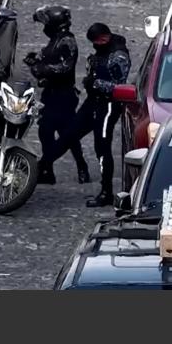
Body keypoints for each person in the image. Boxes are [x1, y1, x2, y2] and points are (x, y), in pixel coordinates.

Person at [24, 6, 91, 186]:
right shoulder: (55, 40)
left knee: (67, 135)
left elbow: (65, 67)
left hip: (64, 96)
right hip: (51, 94)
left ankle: (81, 166)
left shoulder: (67, 42)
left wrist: (43, 69)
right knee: (45, 131)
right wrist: (36, 58)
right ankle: (48, 171)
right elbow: (47, 55)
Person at [74, 23, 131, 207]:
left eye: (100, 40)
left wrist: (96, 83)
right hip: (95, 102)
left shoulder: (118, 55)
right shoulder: (100, 54)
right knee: (72, 133)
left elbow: (119, 85)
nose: (98, 44)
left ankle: (106, 191)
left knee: (103, 146)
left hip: (109, 105)